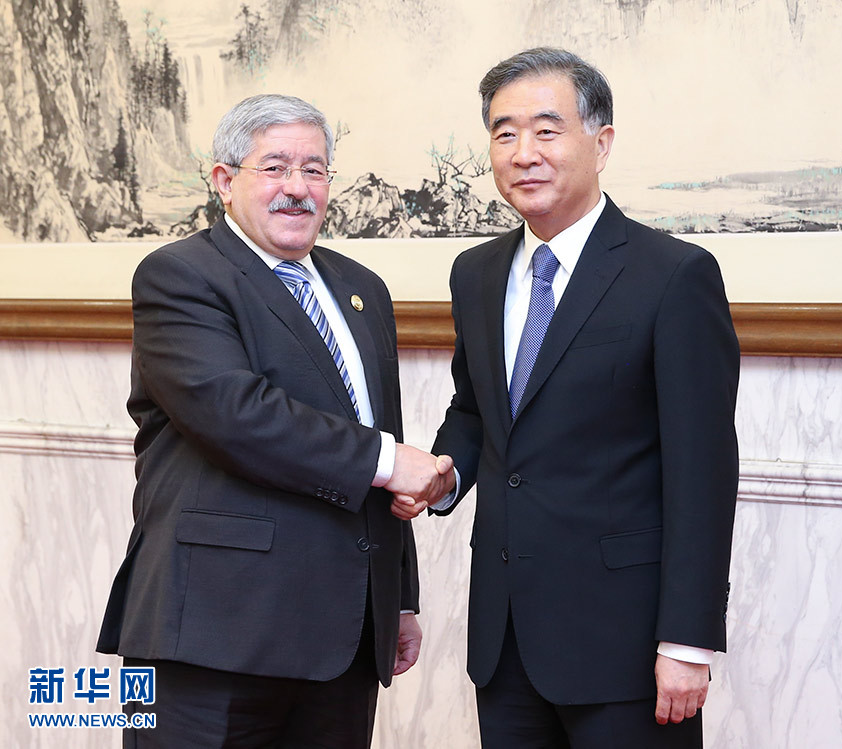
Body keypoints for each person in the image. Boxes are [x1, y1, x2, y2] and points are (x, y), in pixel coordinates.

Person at [394, 48, 740, 747]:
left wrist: (688, 640)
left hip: (626, 643)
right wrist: (446, 473)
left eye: (547, 130)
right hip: (505, 638)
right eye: (505, 133)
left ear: (601, 143)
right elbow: (477, 408)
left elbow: (703, 470)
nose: (524, 153)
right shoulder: (476, 273)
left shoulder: (673, 275)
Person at [97, 93, 453, 748]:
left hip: (344, 640)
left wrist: (398, 597)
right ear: (224, 181)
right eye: (275, 167)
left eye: (314, 169)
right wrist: (388, 461)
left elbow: (380, 430)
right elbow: (236, 415)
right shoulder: (179, 276)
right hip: (215, 633)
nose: (297, 187)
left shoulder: (362, 289)